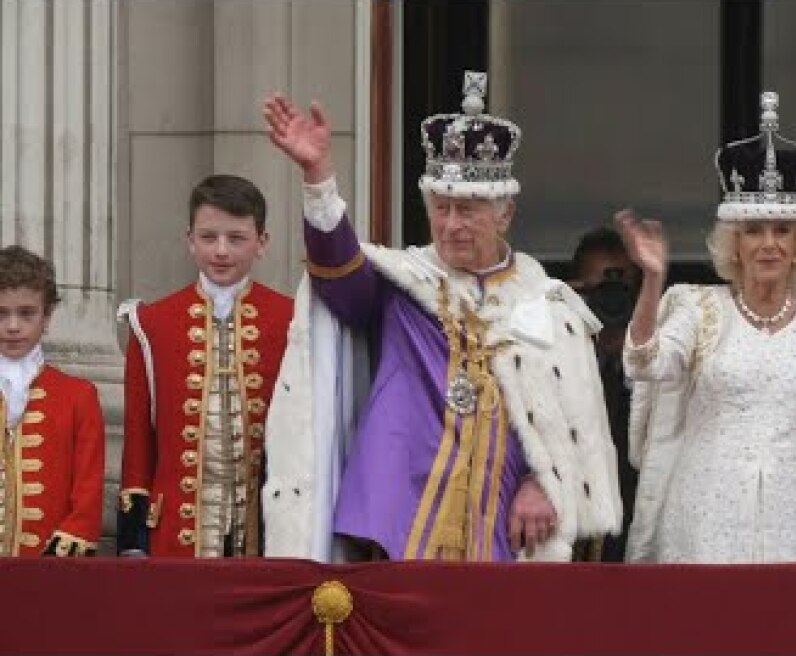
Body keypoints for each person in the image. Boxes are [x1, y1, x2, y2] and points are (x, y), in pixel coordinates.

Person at [261, 71, 621, 562]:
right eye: (441, 208)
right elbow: (338, 277)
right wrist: (319, 179)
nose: (451, 224)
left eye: (467, 210)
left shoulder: (550, 307)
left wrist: (544, 482)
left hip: (506, 531)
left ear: (505, 214)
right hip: (399, 524)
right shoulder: (404, 284)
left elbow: (570, 425)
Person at [618, 92, 796, 563]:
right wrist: (652, 280)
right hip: (704, 524)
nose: (769, 244)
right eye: (753, 230)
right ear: (734, 243)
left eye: (782, 231)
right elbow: (644, 362)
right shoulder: (698, 307)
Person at [117, 174, 294, 558]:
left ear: (262, 242)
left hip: (266, 532)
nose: (221, 251)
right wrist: (133, 541)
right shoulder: (151, 323)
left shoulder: (291, 321)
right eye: (209, 237)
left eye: (236, 238)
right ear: (190, 240)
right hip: (175, 532)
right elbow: (138, 441)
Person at [0, 245, 105, 557]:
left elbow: (88, 494)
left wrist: (59, 561)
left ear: (46, 317)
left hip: (47, 570)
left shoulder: (78, 396)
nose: (13, 326)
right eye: (1, 313)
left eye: (27, 313)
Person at [569, 227, 641, 561]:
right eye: (599, 289)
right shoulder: (556, 362)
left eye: (623, 288)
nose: (612, 300)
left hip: (639, 530)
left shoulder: (660, 364)